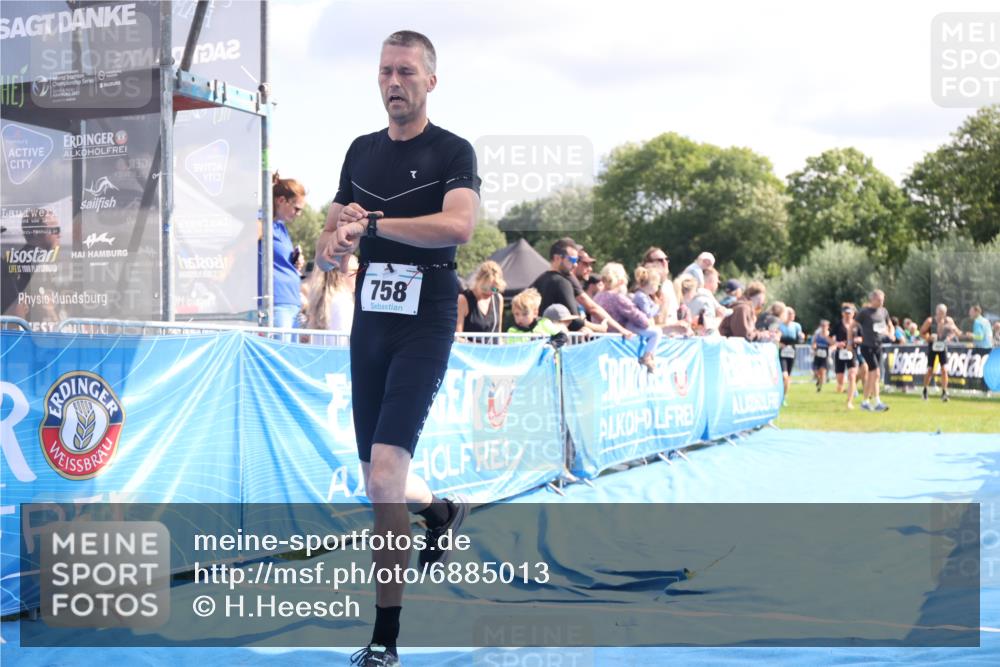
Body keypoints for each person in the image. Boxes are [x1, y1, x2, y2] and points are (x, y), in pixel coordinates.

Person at [314, 30, 479, 667]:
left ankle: (384, 641)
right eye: (386, 70)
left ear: (429, 81)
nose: (394, 82)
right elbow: (329, 237)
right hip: (372, 320)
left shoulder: (451, 151)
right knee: (377, 482)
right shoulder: (360, 150)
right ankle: (439, 509)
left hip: (428, 316)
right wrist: (337, 243)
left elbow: (457, 226)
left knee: (385, 475)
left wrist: (373, 224)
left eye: (407, 71)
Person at [260, 173, 307, 335]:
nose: (298, 214)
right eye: (296, 209)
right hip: (277, 304)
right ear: (281, 200)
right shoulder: (261, 223)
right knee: (278, 356)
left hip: (292, 304)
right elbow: (240, 250)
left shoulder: (280, 227)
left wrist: (294, 261)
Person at [1, 208, 63, 326]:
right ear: (35, 231)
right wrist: (60, 329)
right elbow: (46, 307)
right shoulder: (37, 262)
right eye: (55, 229)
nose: (59, 234)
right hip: (30, 336)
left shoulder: (14, 259)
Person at [595, 262, 661, 372]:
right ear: (621, 280)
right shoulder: (617, 297)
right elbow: (643, 321)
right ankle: (647, 357)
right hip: (616, 347)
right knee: (656, 332)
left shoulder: (597, 296)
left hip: (600, 343)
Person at [305, 254, 358, 343]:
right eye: (356, 271)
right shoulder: (342, 302)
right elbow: (344, 341)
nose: (358, 275)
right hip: (337, 354)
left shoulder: (323, 299)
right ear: (342, 274)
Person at [640, 246, 691, 336]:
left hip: (672, 343)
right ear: (648, 265)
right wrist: (673, 327)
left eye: (666, 259)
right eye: (660, 260)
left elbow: (675, 318)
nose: (665, 262)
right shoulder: (645, 291)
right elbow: (648, 328)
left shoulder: (671, 285)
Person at [855, 289, 892, 412]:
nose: (882, 302)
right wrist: (850, 342)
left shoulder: (884, 311)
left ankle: (875, 402)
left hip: (878, 346)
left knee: (876, 375)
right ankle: (866, 401)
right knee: (875, 372)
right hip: (867, 346)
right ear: (872, 300)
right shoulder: (864, 312)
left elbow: (889, 324)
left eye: (883, 300)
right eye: (879, 300)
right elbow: (852, 327)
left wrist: (891, 334)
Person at [919, 303, 961, 402]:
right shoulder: (930, 321)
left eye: (944, 313)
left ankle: (944, 392)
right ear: (936, 312)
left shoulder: (949, 321)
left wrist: (949, 338)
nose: (942, 315)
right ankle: (925, 389)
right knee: (930, 370)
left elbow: (955, 331)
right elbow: (921, 332)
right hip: (932, 346)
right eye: (940, 313)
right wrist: (928, 338)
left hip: (943, 346)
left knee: (944, 369)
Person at [456, 260, 505, 338]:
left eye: (495, 289)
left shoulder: (498, 298)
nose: (490, 293)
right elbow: (458, 337)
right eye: (485, 289)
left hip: (493, 349)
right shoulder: (463, 299)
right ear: (477, 281)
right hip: (469, 349)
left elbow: (498, 334)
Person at [832, 303, 864, 409]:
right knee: (840, 380)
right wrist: (837, 343)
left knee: (852, 375)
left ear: (853, 314)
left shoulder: (857, 325)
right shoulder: (838, 324)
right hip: (840, 353)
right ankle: (843, 386)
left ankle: (849, 401)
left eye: (849, 313)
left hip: (852, 352)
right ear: (842, 314)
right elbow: (829, 337)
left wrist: (856, 340)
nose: (848, 315)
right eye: (846, 313)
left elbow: (862, 338)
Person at [687, 267, 728, 335]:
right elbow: (709, 329)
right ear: (710, 282)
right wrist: (720, 317)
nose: (717, 285)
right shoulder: (706, 301)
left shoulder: (690, 297)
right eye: (716, 282)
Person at [777, 307, 805, 404]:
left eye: (793, 314)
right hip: (782, 352)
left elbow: (800, 337)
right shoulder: (780, 325)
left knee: (788, 376)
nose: (791, 316)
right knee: (783, 375)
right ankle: (780, 394)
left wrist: (802, 336)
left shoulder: (797, 326)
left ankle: (784, 396)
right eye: (789, 314)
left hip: (792, 352)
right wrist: (781, 345)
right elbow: (776, 339)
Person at [811, 319, 832, 392]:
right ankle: (818, 380)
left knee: (822, 372)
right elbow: (813, 343)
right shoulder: (817, 335)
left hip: (825, 356)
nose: (823, 327)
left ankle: (819, 388)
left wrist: (831, 348)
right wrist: (814, 346)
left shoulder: (829, 335)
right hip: (817, 356)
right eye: (822, 326)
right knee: (816, 372)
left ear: (828, 327)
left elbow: (833, 344)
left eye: (825, 326)